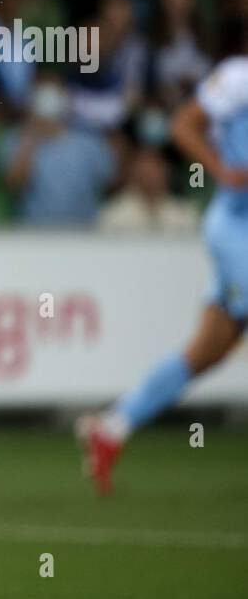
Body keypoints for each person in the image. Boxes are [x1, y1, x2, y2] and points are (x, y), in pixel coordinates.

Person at [78, 52, 248, 494]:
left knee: (207, 351)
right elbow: (183, 125)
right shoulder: (237, 77)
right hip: (236, 228)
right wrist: (220, 170)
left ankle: (112, 427)